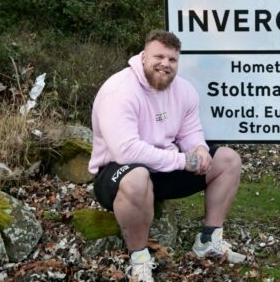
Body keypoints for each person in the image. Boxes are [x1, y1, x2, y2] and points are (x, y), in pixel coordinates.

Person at [89, 30, 245, 282]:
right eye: (158, 56)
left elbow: (191, 131)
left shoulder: (183, 90)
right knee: (138, 176)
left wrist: (199, 150)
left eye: (172, 59)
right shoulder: (119, 91)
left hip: (163, 170)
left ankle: (208, 240)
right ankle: (139, 260)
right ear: (143, 57)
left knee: (228, 160)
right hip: (117, 174)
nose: (165, 64)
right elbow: (126, 151)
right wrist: (183, 160)